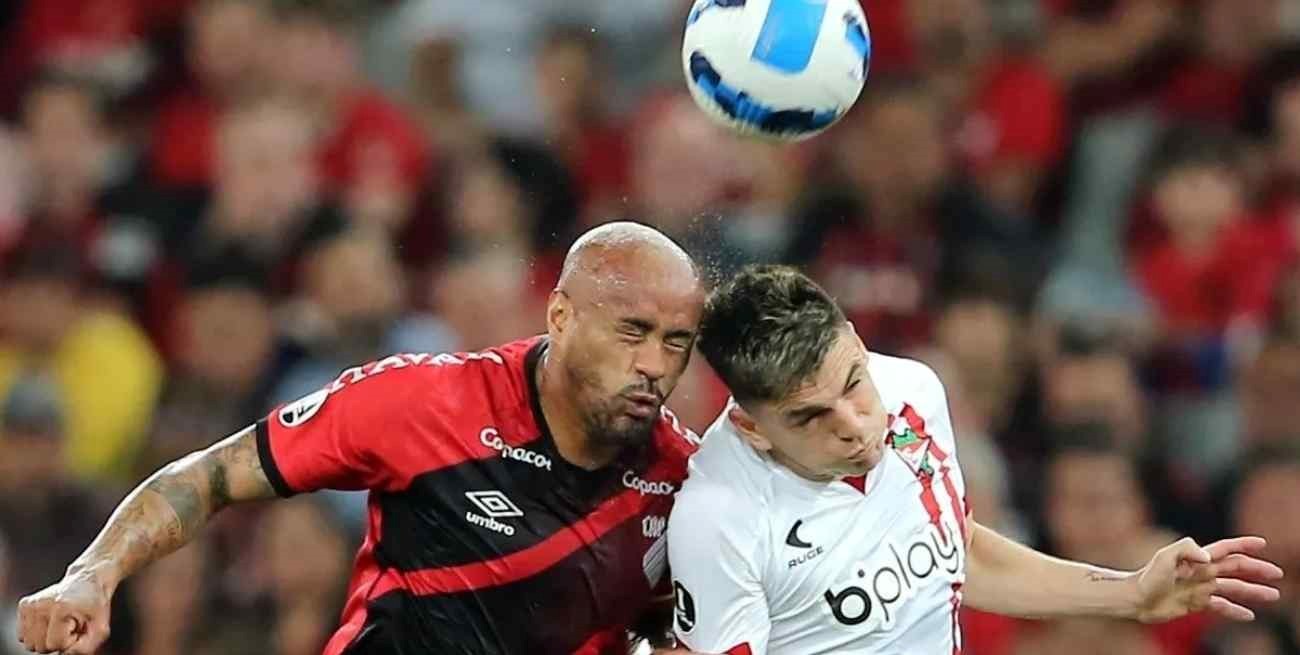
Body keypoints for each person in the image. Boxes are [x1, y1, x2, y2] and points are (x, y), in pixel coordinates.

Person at [16, 221, 706, 655]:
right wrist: (93, 574)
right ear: (560, 316)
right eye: (632, 332)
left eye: (676, 342)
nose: (655, 364)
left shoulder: (686, 483)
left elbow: (680, 628)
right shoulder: (424, 402)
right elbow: (212, 475)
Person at [666, 265, 1283, 655]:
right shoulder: (720, 518)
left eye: (853, 382)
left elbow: (955, 553)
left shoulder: (913, 391)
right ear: (752, 427)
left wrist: (1129, 594)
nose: (854, 428)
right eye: (809, 417)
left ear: (855, 338)